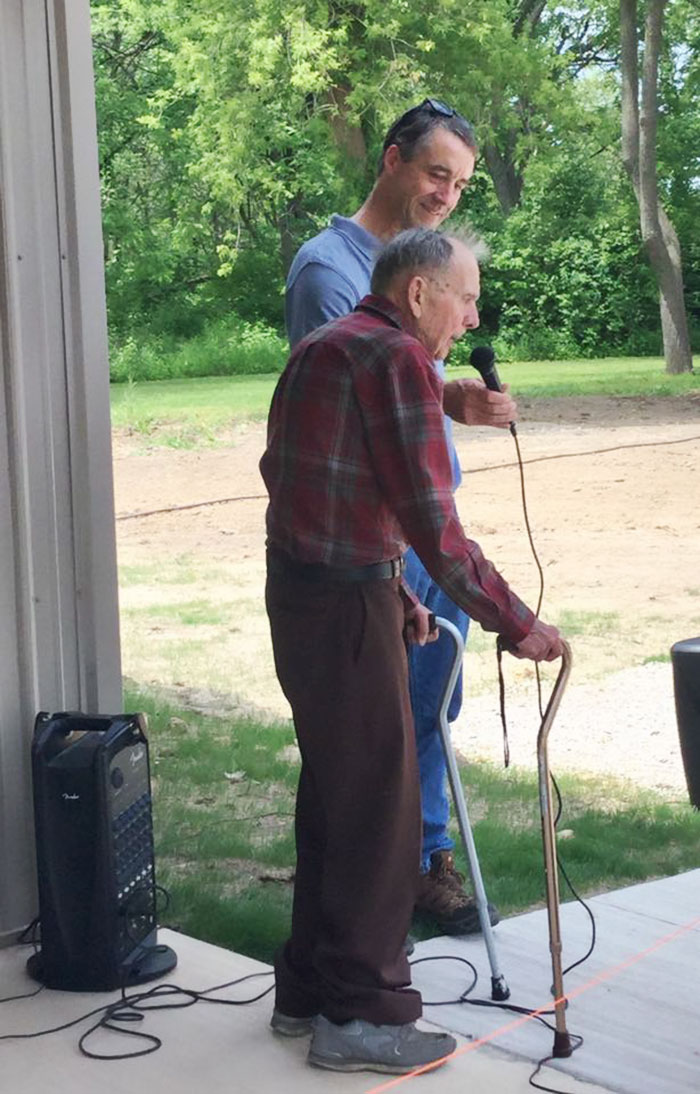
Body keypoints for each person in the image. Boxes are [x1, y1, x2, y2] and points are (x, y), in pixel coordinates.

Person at [261, 228, 564, 1075]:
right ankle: (360, 1016)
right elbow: (438, 526)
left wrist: (388, 586)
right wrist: (515, 619)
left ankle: (308, 992)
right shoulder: (396, 361)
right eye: (464, 299)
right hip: (341, 607)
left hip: (310, 594)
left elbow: (293, 478)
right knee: (381, 817)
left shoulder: (325, 346)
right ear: (421, 292)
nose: (471, 318)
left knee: (335, 798)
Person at [285, 99, 516, 935]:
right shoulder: (331, 268)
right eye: (434, 173)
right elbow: (341, 411)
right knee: (380, 728)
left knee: (427, 705)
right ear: (391, 161)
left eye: (459, 181)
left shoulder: (428, 264)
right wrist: (515, 619)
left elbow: (399, 386)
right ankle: (396, 883)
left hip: (419, 529)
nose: (447, 192)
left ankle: (417, 860)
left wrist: (455, 398)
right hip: (380, 540)